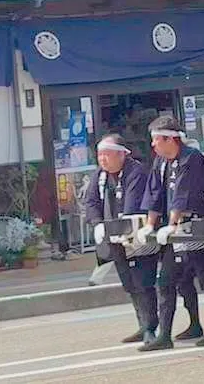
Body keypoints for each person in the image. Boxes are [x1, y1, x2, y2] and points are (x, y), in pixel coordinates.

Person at [138, 115, 204, 351]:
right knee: (168, 282)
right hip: (176, 232)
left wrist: (173, 224)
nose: (153, 145)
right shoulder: (161, 161)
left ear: (170, 139)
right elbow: (155, 193)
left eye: (156, 140)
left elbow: (183, 193)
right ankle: (168, 334)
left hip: (197, 227)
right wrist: (150, 225)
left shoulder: (191, 158)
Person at [84, 134, 158, 346]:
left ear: (121, 154)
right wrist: (97, 222)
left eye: (106, 154)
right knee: (129, 283)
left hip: (137, 236)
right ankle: (142, 324)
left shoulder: (137, 172)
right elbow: (91, 201)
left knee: (143, 283)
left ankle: (151, 328)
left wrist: (119, 227)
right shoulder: (100, 176)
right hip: (113, 237)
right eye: (99, 155)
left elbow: (133, 205)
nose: (102, 159)